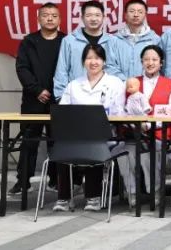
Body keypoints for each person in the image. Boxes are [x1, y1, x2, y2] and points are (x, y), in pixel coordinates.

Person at [54, 44, 126, 212]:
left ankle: (93, 197)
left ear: (104, 61)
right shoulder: (74, 85)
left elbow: (119, 113)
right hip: (77, 135)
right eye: (89, 58)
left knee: (94, 145)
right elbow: (63, 111)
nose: (93, 62)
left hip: (105, 135)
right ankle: (64, 198)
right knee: (62, 146)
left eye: (97, 58)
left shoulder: (115, 83)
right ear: (83, 62)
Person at [11, 3, 64, 195]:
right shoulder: (29, 41)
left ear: (60, 19)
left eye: (54, 15)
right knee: (29, 141)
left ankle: (55, 180)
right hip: (33, 100)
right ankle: (23, 181)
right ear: (38, 18)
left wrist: (59, 92)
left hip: (58, 99)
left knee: (57, 141)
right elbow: (22, 68)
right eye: (45, 15)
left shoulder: (66, 41)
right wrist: (37, 90)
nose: (50, 18)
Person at [123, 45, 171, 206]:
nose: (150, 63)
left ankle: (155, 191)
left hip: (160, 134)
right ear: (141, 62)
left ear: (161, 63)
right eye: (146, 59)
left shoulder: (170, 84)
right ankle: (132, 192)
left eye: (154, 59)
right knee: (125, 154)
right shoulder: (132, 83)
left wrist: (149, 125)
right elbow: (124, 110)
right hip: (134, 133)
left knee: (148, 154)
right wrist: (136, 125)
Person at [53, 0, 132, 99]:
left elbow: (119, 69)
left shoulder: (113, 41)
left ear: (104, 17)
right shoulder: (70, 41)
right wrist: (61, 97)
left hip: (107, 97)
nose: (93, 19)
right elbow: (62, 70)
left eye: (97, 15)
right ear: (82, 18)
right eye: (89, 15)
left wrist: (124, 89)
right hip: (77, 96)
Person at [115, 0, 161, 78]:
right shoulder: (114, 40)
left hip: (147, 84)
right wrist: (125, 81)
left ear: (145, 15)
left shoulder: (155, 40)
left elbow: (159, 66)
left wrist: (145, 82)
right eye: (132, 11)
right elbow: (110, 65)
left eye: (140, 12)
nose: (136, 15)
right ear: (125, 15)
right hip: (120, 84)